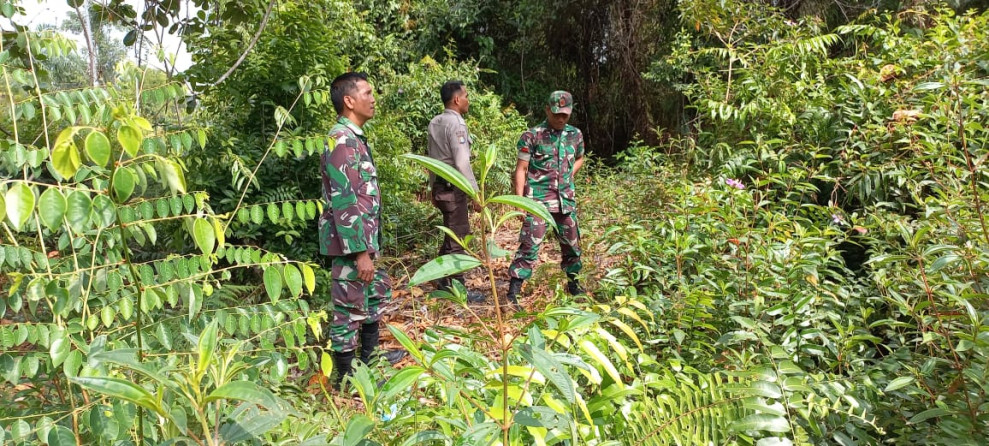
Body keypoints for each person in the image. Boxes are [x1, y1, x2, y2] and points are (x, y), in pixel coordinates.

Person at [319, 72, 390, 385]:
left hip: (366, 240)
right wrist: (360, 252)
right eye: (367, 93)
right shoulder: (342, 141)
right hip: (353, 245)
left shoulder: (355, 138)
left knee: (373, 298)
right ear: (349, 100)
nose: (372, 99)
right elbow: (344, 200)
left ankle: (369, 362)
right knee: (347, 310)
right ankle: (346, 378)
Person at [506, 90, 586, 306]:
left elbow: (580, 158)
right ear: (547, 110)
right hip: (537, 203)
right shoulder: (532, 136)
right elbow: (521, 169)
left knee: (572, 246)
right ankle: (513, 293)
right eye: (557, 114)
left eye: (565, 115)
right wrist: (520, 202)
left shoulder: (575, 135)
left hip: (565, 202)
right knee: (529, 247)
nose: (561, 119)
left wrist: (569, 173)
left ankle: (574, 286)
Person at [426, 80, 484, 303]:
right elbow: (462, 163)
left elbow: (431, 160)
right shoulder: (457, 125)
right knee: (459, 237)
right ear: (457, 99)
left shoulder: (435, 122)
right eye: (466, 96)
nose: (468, 100)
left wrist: (432, 188)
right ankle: (458, 290)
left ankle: (443, 280)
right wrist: (475, 193)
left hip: (441, 187)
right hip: (454, 188)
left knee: (451, 234)